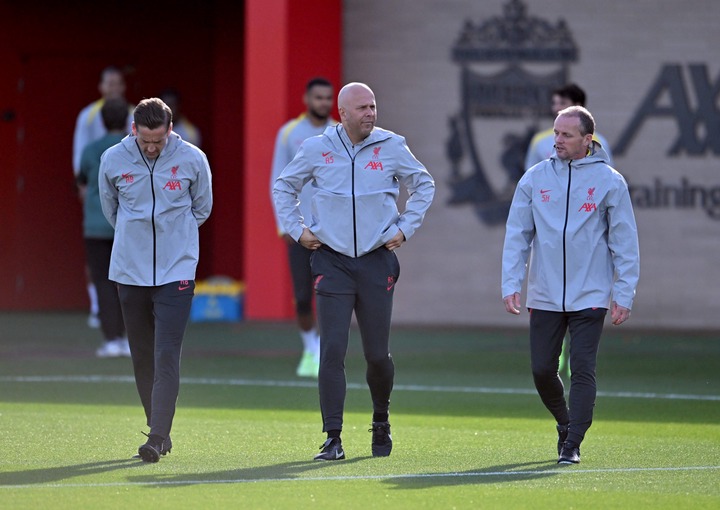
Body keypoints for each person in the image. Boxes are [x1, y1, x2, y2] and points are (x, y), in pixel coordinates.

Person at [273, 82, 435, 461]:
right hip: (332, 260)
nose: (370, 113)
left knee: (377, 355)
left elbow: (424, 185)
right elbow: (284, 187)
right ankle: (333, 438)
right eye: (362, 107)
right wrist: (298, 230)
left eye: (373, 106)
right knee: (332, 350)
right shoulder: (316, 148)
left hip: (377, 261)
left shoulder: (392, 145)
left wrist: (404, 229)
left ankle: (381, 419)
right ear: (342, 114)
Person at [502, 106, 639, 465]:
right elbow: (517, 235)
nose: (557, 140)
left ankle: (573, 443)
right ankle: (565, 423)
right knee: (542, 370)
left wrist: (623, 294)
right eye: (555, 133)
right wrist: (511, 282)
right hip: (544, 293)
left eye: (566, 135)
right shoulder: (534, 178)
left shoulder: (610, 181)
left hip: (590, 294)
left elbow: (625, 244)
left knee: (582, 368)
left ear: (587, 140)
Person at [99, 97, 213, 462]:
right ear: (133, 130)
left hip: (176, 269)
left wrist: (174, 238)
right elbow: (110, 209)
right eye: (145, 140)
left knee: (166, 353)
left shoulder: (193, 159)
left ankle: (157, 436)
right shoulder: (113, 159)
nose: (151, 147)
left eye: (158, 141)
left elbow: (202, 208)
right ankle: (157, 428)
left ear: (170, 131)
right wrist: (136, 236)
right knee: (142, 355)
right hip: (129, 271)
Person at [524, 83, 614, 378]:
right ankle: (557, 363)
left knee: (582, 341)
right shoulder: (540, 142)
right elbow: (530, 183)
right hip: (552, 236)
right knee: (551, 315)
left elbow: (602, 186)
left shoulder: (601, 145)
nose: (554, 107)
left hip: (583, 244)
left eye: (560, 102)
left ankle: (577, 368)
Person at [270, 77, 335, 378]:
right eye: (318, 97)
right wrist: (286, 224)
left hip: (334, 231)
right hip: (300, 229)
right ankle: (310, 349)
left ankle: (326, 348)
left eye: (328, 98)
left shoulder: (339, 133)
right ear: (306, 98)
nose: (323, 102)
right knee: (303, 295)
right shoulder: (289, 134)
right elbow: (277, 181)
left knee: (332, 292)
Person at [73, 66, 133, 329]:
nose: (113, 88)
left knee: (127, 263)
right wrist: (82, 186)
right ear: (100, 87)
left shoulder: (136, 112)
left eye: (118, 83)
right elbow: (80, 154)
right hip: (98, 192)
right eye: (109, 83)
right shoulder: (88, 116)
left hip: (127, 193)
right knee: (97, 258)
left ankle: (123, 319)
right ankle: (98, 308)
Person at [525, 84, 613, 171]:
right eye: (554, 103)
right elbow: (531, 176)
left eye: (562, 103)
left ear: (578, 106)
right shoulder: (539, 140)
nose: (556, 108)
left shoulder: (598, 142)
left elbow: (606, 176)